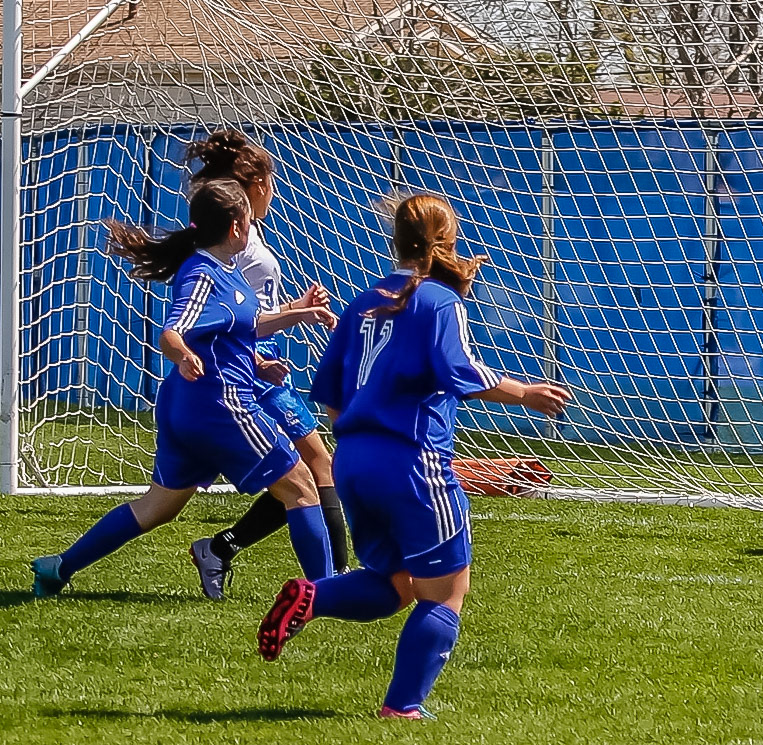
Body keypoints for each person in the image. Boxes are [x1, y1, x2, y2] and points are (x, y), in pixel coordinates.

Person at [255, 193, 570, 719]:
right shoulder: (439, 301)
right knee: (444, 594)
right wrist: (527, 394)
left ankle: (314, 596)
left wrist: (362, 434)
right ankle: (402, 707)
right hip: (412, 462)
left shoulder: (362, 301)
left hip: (353, 459)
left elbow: (329, 393)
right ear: (446, 240)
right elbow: (460, 372)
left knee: (394, 584)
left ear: (397, 241)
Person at [31, 179, 338, 597]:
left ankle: (58, 568)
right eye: (249, 219)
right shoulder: (202, 273)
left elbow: (243, 327)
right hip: (220, 405)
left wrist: (295, 317)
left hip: (190, 407)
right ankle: (327, 594)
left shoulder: (224, 272)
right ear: (236, 228)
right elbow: (172, 331)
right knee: (301, 484)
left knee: (157, 508)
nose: (252, 227)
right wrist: (182, 354)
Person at [182, 130, 351, 599]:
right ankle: (335, 579)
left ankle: (220, 548)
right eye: (272, 181)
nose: (275, 190)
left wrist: (298, 305)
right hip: (252, 376)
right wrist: (257, 355)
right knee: (315, 468)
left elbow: (250, 312)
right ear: (255, 184)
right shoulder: (235, 245)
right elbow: (233, 321)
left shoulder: (243, 234)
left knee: (305, 472)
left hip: (262, 367)